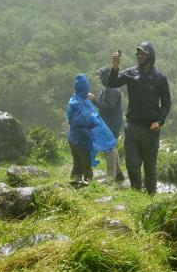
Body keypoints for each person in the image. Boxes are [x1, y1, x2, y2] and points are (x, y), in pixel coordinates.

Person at [107, 42, 171, 195]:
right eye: (138, 54)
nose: (139, 56)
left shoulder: (160, 77)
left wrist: (159, 121)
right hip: (132, 127)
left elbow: (167, 103)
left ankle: (150, 196)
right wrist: (115, 67)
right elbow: (112, 83)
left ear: (150, 56)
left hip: (151, 129)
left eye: (143, 54)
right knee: (132, 163)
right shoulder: (130, 73)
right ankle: (136, 194)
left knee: (150, 165)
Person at [66, 73, 116, 187]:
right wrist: (91, 123)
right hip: (82, 140)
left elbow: (72, 120)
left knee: (77, 164)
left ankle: (74, 185)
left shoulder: (74, 99)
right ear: (84, 88)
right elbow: (84, 119)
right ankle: (86, 187)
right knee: (85, 165)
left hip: (73, 138)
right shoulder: (80, 103)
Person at [90, 66, 125, 185]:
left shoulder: (113, 90)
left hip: (112, 124)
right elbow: (102, 105)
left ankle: (111, 178)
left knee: (109, 149)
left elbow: (109, 108)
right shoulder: (106, 90)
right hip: (107, 123)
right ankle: (118, 174)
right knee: (112, 147)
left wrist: (94, 100)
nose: (100, 80)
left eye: (102, 77)